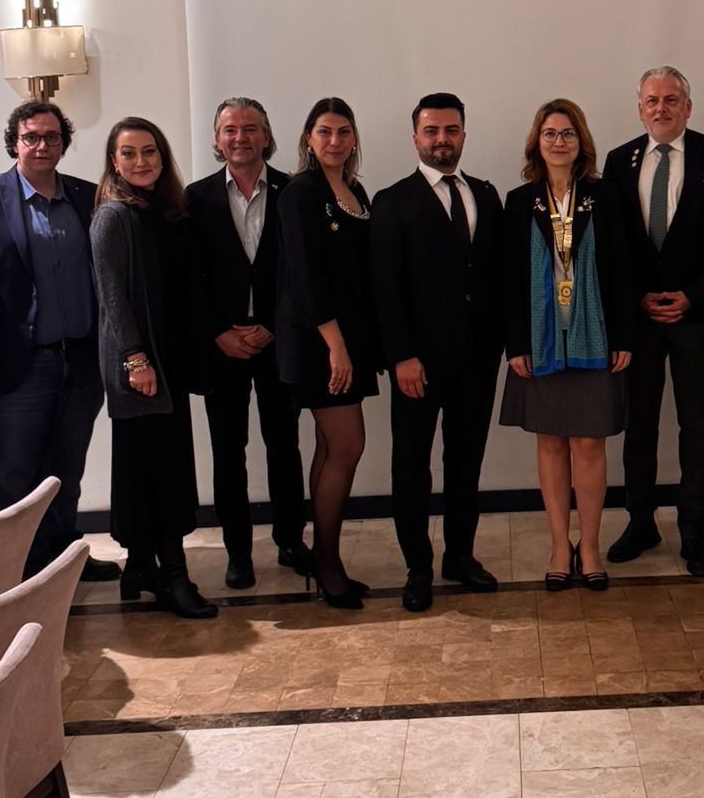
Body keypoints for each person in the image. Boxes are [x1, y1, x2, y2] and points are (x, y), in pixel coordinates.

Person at [0, 100, 117, 581]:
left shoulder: (89, 197)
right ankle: (20, 572)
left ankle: (63, 562)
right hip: (13, 364)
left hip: (81, 361)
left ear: (64, 143)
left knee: (66, 470)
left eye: (51, 137)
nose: (42, 145)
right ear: (14, 143)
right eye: (31, 137)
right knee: (14, 475)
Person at [370, 92, 504, 613]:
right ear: (416, 138)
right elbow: (385, 288)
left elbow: (493, 276)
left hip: (477, 359)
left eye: (450, 130)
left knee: (465, 463)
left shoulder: (485, 194)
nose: (441, 139)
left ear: (463, 134)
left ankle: (460, 557)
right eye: (431, 131)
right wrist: (401, 355)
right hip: (417, 365)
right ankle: (418, 568)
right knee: (412, 467)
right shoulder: (392, 200)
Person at [604, 66, 704, 577]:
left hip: (694, 317)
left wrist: (693, 296)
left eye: (671, 99)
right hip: (639, 320)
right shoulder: (619, 160)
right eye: (652, 100)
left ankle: (693, 532)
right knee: (638, 424)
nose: (661, 108)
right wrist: (637, 297)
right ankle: (640, 522)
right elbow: (615, 243)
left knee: (695, 425)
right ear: (639, 109)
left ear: (688, 106)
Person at [501, 99, 633, 590]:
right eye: (550, 133)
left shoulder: (606, 196)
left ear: (582, 142)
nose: (559, 142)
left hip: (596, 338)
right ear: (537, 142)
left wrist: (624, 336)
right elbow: (508, 282)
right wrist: (516, 344)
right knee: (552, 442)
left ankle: (590, 546)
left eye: (568, 133)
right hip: (541, 343)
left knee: (589, 443)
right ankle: (561, 546)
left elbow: (624, 268)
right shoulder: (520, 201)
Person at [91, 116, 216, 619]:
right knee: (161, 472)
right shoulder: (113, 216)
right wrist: (135, 360)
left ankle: (140, 566)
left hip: (170, 362)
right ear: (114, 161)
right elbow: (112, 297)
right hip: (140, 366)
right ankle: (174, 578)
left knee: (150, 467)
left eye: (149, 151)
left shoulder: (166, 212)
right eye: (129, 153)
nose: (141, 161)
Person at [187, 96, 308, 591]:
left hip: (278, 339)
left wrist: (275, 325)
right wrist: (219, 331)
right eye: (230, 129)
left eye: (250, 128)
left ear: (266, 135)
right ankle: (237, 551)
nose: (241, 137)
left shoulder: (293, 191)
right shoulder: (194, 198)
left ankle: (291, 541)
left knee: (285, 445)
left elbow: (300, 270)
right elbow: (189, 277)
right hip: (222, 344)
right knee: (227, 450)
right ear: (217, 139)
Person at [276, 97, 379, 609]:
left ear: (354, 138)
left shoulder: (355, 190)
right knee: (348, 445)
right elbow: (306, 275)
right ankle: (329, 563)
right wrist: (336, 346)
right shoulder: (301, 192)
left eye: (343, 132)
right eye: (324, 132)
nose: (334, 141)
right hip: (320, 341)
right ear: (309, 139)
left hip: (349, 339)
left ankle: (324, 556)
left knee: (329, 447)